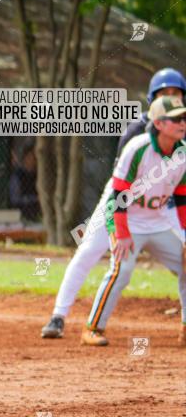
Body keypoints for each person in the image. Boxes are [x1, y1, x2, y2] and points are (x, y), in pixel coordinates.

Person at [41, 68, 186, 339]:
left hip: (158, 207)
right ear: (153, 98)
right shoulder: (137, 133)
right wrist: (118, 229)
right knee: (89, 252)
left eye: (176, 94)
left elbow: (180, 192)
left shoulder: (181, 135)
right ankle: (58, 316)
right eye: (164, 94)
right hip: (121, 202)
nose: (171, 98)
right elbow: (119, 190)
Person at [78, 95, 186, 346]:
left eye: (184, 118)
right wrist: (122, 234)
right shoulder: (138, 148)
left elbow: (181, 199)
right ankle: (93, 328)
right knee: (122, 270)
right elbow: (117, 195)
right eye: (176, 119)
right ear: (158, 124)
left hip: (158, 221)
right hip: (127, 219)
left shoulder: (183, 152)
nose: (183, 123)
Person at [8, 145, 40, 221]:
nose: (33, 161)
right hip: (20, 216)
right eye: (30, 157)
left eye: (35, 158)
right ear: (24, 158)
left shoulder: (38, 176)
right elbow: (15, 199)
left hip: (37, 215)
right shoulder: (17, 176)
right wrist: (34, 199)